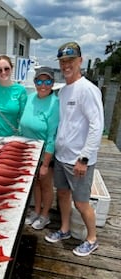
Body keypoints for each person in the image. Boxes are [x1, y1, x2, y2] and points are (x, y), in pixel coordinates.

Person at [45, 42, 104, 257]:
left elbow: (97, 126)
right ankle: (65, 229)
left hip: (79, 160)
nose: (66, 65)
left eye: (70, 60)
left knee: (81, 202)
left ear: (80, 61)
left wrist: (85, 158)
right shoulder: (63, 91)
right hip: (61, 157)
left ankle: (92, 238)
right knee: (62, 194)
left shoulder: (88, 89)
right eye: (62, 62)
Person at [20, 67, 59, 230]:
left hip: (45, 155)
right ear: (35, 82)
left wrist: (45, 164)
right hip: (29, 152)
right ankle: (36, 211)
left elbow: (52, 137)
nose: (43, 85)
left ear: (53, 83)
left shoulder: (55, 104)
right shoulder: (29, 98)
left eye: (48, 81)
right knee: (35, 183)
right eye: (39, 81)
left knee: (46, 185)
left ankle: (45, 215)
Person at [0, 55, 27, 136]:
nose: (3, 72)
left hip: (12, 137)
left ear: (12, 69)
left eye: (6, 69)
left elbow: (23, 116)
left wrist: (18, 135)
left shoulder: (21, 90)